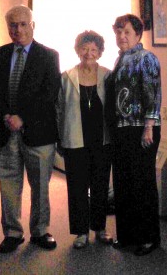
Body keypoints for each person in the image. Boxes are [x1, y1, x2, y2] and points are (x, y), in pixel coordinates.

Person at [0, 5, 60, 253]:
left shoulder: (49, 55)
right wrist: (6, 115)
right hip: (4, 131)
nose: (18, 29)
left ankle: (40, 231)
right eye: (13, 25)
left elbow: (50, 94)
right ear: (8, 28)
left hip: (38, 132)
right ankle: (13, 233)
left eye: (23, 24)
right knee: (8, 184)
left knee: (41, 187)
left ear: (33, 25)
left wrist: (23, 117)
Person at [105, 14, 161, 256]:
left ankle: (149, 238)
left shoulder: (146, 58)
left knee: (142, 184)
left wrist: (149, 126)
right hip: (121, 129)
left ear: (138, 34)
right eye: (118, 32)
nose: (121, 36)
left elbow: (153, 94)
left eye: (126, 32)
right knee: (123, 183)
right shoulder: (121, 59)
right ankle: (127, 235)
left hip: (142, 130)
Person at [56, 30, 113, 249]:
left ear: (99, 52)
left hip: (102, 139)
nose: (89, 52)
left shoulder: (108, 75)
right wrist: (60, 138)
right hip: (75, 139)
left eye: (93, 49)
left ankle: (99, 228)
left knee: (100, 185)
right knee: (77, 187)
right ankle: (80, 232)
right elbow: (59, 109)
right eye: (84, 48)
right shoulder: (67, 76)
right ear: (78, 50)